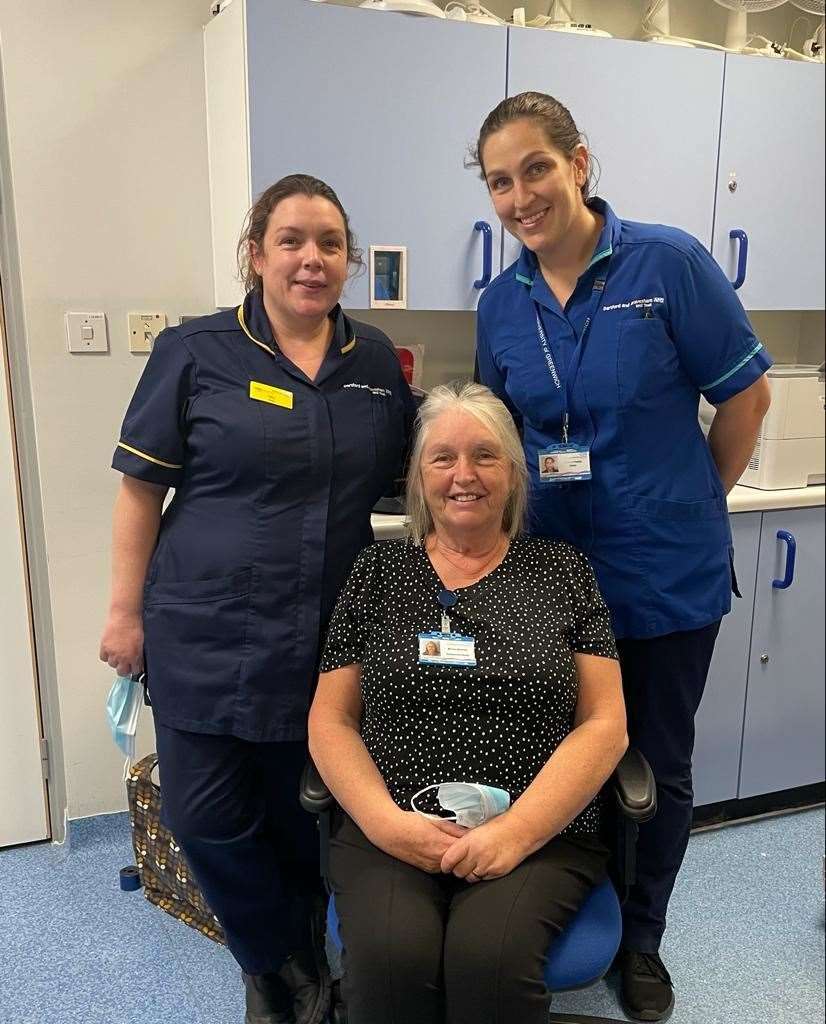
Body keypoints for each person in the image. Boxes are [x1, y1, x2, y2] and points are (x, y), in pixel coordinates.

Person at [472, 92, 772, 1022]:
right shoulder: (501, 301)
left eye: (535, 169)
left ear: (579, 163)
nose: (521, 196)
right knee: (561, 763)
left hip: (664, 578)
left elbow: (749, 400)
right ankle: (573, 919)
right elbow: (499, 433)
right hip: (550, 581)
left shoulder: (668, 262)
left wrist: (691, 506)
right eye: (499, 182)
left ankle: (642, 943)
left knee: (659, 767)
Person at [99, 173, 416, 1024]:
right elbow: (139, 490)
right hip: (203, 629)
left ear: (349, 262)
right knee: (204, 819)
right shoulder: (196, 351)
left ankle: (301, 961)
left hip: (322, 634)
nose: (311, 259)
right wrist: (124, 614)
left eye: (329, 244)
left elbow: (409, 476)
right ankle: (268, 961)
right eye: (291, 241)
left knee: (299, 818)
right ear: (256, 255)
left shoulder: (377, 362)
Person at [308, 381, 628, 1024]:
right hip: (393, 820)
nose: (464, 475)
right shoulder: (377, 572)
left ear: (513, 474)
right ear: (418, 476)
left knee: (490, 958)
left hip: (538, 827)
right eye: (442, 457)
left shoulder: (563, 571)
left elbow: (606, 723)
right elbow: (330, 717)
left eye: (485, 456)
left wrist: (515, 832)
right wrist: (385, 823)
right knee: (393, 960)